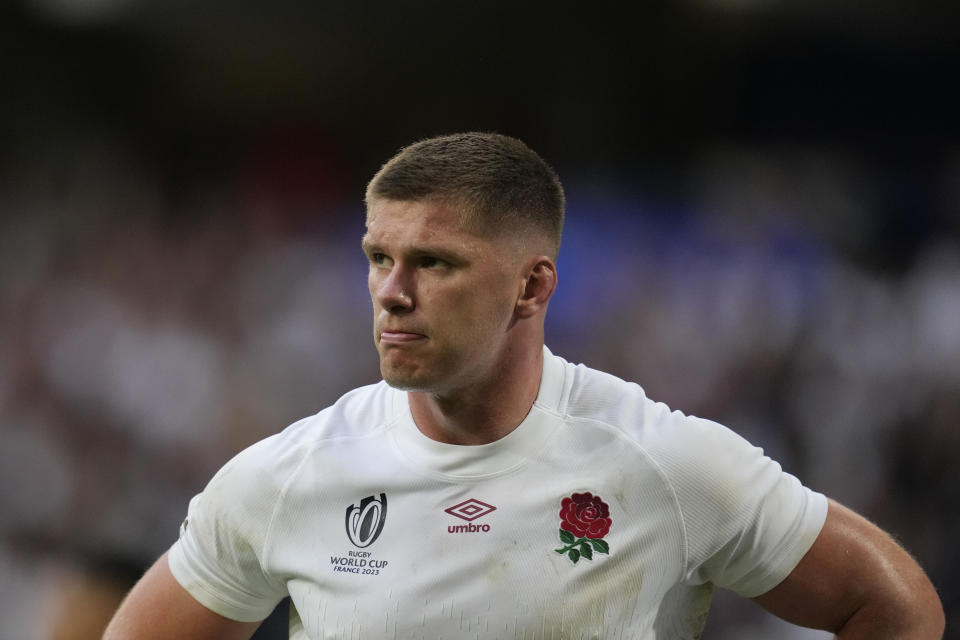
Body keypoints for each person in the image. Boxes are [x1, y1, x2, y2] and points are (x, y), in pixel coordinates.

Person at [104, 132, 944, 639]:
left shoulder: (662, 463)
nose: (392, 292)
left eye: (434, 262)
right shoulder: (289, 477)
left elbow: (895, 607)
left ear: (533, 287)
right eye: (378, 258)